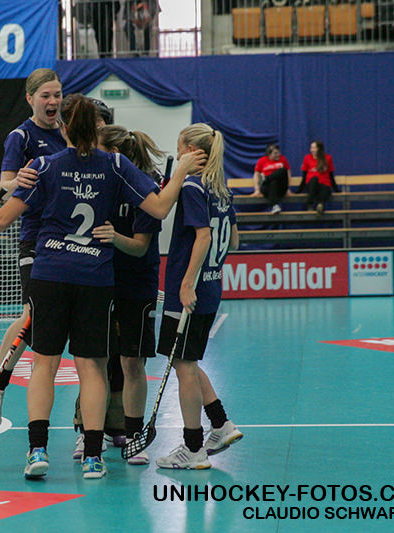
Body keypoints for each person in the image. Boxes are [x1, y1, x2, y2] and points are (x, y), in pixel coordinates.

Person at [0, 95, 206, 480]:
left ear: (63, 127)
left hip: (50, 274)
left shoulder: (45, 166)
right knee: (92, 367)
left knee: (44, 364)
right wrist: (179, 171)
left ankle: (37, 451)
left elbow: (0, 221)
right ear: (97, 129)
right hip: (94, 277)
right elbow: (161, 208)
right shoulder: (115, 164)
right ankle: (94, 456)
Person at [0, 68, 66, 429]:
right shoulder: (21, 136)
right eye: (46, 95)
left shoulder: (67, 132)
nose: (53, 101)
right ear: (31, 99)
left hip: (71, 239)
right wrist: (20, 179)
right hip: (36, 237)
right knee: (32, 314)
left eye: (57, 94)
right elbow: (5, 185)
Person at [155, 123, 244, 470]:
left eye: (180, 148)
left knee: (184, 368)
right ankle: (221, 424)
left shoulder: (192, 186)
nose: (177, 155)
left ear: (192, 150)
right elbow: (233, 241)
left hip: (189, 290)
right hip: (212, 286)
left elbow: (204, 237)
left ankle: (193, 448)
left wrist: (187, 282)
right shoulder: (220, 188)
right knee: (187, 362)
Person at [93, 124, 165, 465]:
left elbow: (140, 247)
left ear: (114, 154)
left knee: (132, 363)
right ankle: (90, 434)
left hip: (136, 284)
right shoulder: (95, 182)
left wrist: (113, 237)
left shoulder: (145, 189)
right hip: (98, 282)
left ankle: (135, 436)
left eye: (97, 148)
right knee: (95, 361)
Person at [298, 140, 338, 215]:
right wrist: (298, 191)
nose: (312, 150)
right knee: (314, 179)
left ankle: (320, 205)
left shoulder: (327, 158)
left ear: (319, 149)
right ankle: (310, 204)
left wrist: (336, 190)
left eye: (314, 148)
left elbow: (331, 175)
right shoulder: (307, 158)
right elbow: (304, 176)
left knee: (326, 187)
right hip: (311, 184)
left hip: (324, 183)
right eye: (311, 148)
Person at [251, 143, 291, 214]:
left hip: (280, 187)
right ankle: (275, 206)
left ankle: (266, 178)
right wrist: (257, 189)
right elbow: (256, 175)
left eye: (278, 152)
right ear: (269, 154)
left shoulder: (282, 159)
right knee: (273, 182)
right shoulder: (262, 161)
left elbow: (288, 175)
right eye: (275, 153)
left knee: (283, 170)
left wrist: (288, 188)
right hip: (267, 188)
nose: (278, 154)